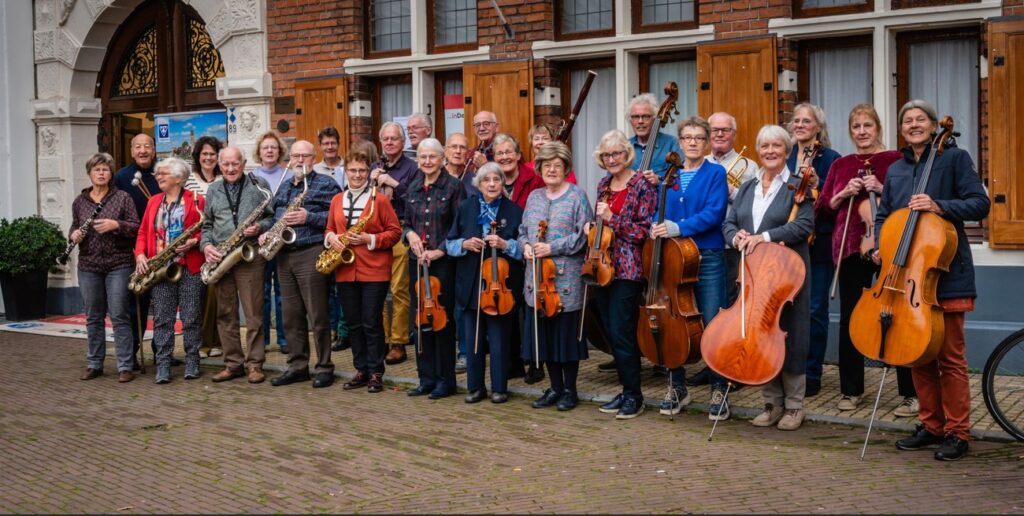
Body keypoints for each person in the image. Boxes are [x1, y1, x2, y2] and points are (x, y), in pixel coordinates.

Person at [882, 100, 989, 461]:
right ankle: (931, 426)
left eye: (920, 119)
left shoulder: (955, 158)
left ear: (932, 126)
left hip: (947, 273)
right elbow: (885, 216)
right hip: (907, 276)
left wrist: (939, 205)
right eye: (907, 120)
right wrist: (882, 246)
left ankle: (958, 432)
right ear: (902, 129)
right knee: (918, 356)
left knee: (950, 359)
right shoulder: (896, 169)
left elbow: (979, 204)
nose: (913, 125)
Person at [814, 104, 918, 415]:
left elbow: (912, 201)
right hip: (850, 249)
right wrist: (843, 193)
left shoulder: (896, 160)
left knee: (897, 314)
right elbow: (822, 209)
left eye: (867, 125)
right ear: (850, 132)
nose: (862, 132)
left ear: (878, 128)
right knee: (851, 319)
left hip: (890, 248)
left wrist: (883, 188)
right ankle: (851, 390)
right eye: (856, 127)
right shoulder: (841, 165)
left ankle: (910, 393)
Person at [723, 125, 814, 431]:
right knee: (761, 333)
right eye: (765, 146)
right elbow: (729, 222)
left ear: (787, 152)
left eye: (776, 146)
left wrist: (763, 237)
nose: (770, 151)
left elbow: (803, 225)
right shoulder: (748, 186)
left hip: (788, 274)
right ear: (758, 151)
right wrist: (736, 236)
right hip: (753, 273)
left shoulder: (797, 186)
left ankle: (795, 406)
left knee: (792, 333)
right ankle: (772, 403)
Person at [648, 116, 730, 419]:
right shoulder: (668, 175)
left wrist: (678, 227)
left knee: (712, 320)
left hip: (707, 256)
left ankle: (719, 388)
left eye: (699, 137)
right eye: (687, 137)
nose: (693, 142)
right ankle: (677, 386)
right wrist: (654, 225)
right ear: (680, 142)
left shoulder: (716, 173)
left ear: (706, 142)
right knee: (674, 320)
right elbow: (657, 211)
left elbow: (715, 213)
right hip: (673, 257)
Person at [685, 111, 758, 387]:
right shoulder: (699, 164)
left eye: (725, 130)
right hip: (704, 246)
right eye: (714, 130)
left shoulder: (749, 167)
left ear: (734, 134)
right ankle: (713, 364)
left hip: (734, 244)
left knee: (733, 307)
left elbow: (753, 204)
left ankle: (734, 366)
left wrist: (731, 192)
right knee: (711, 310)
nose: (718, 134)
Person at [262, 140, 342, 388]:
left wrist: (309, 216)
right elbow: (273, 216)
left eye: (304, 156)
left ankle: (325, 367)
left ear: (313, 158)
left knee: (317, 314)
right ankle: (298, 366)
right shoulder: (285, 186)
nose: (299, 160)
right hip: (284, 254)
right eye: (295, 156)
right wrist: (267, 232)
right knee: (291, 315)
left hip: (311, 251)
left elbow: (338, 218)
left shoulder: (326, 184)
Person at [590, 130, 658, 420]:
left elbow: (643, 231)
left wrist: (611, 219)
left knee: (622, 332)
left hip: (627, 269)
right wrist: (592, 227)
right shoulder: (604, 184)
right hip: (600, 267)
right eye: (606, 155)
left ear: (626, 154)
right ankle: (625, 389)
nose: (611, 159)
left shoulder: (641, 184)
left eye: (616, 153)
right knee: (609, 332)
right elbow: (601, 224)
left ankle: (634, 396)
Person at [519, 142, 591, 411]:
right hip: (536, 279)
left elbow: (584, 237)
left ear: (566, 168)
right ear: (539, 169)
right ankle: (554, 387)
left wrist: (552, 248)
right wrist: (526, 246)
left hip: (566, 280)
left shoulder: (577, 196)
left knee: (565, 338)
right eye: (546, 165)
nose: (551, 170)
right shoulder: (534, 197)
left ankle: (570, 390)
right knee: (546, 337)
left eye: (557, 166)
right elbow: (522, 230)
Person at [446, 162, 524, 404]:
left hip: (501, 286)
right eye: (486, 180)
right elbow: (449, 243)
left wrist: (505, 244)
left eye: (496, 180)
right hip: (471, 283)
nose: (491, 184)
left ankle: (499, 387)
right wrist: (465, 244)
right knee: (473, 340)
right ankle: (475, 387)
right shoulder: (466, 207)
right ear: (478, 185)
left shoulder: (514, 210)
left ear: (502, 183)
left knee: (499, 341)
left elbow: (523, 249)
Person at [325, 147, 402, 393]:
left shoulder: (379, 200)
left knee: (371, 322)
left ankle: (376, 371)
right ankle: (361, 369)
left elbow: (395, 232)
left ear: (368, 172)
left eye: (361, 170)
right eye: (352, 170)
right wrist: (331, 238)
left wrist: (370, 239)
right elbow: (329, 229)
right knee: (354, 324)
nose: (357, 175)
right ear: (345, 172)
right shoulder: (337, 200)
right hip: (345, 270)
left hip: (375, 270)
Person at [201, 146, 275, 384]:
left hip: (250, 255)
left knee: (253, 314)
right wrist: (206, 246)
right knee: (225, 314)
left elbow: (272, 216)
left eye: (235, 164)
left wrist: (260, 227)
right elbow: (206, 225)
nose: (231, 168)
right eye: (226, 164)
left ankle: (255, 365)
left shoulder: (258, 184)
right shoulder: (213, 189)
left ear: (243, 164)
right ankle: (233, 364)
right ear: (219, 165)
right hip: (222, 258)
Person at [134, 157, 206, 384]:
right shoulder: (154, 201)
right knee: (162, 319)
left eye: (163, 173)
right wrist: (140, 254)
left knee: (191, 317)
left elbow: (208, 228)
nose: (158, 176)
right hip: (161, 267)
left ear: (179, 177)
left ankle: (192, 361)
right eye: (158, 173)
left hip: (189, 266)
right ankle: (163, 363)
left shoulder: (197, 200)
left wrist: (195, 241)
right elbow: (143, 232)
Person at [403, 138, 465, 399]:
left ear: (442, 159)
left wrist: (439, 250)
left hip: (443, 264)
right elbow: (406, 222)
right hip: (417, 262)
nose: (427, 161)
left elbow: (459, 225)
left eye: (432, 157)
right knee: (421, 321)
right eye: (423, 157)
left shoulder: (454, 186)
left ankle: (445, 381)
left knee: (442, 322)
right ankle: (425, 378)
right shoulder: (414, 186)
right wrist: (410, 235)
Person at [788, 103, 841, 398]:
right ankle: (785, 368)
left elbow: (835, 204)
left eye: (806, 121)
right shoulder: (784, 154)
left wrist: (819, 190)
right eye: (796, 120)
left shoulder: (831, 159)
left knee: (815, 309)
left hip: (818, 241)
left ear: (818, 127)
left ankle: (811, 372)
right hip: (786, 241)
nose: (800, 125)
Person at [73, 153, 140, 383]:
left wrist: (115, 224)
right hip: (89, 264)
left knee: (119, 314)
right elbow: (74, 227)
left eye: (105, 169)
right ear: (89, 173)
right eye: (97, 169)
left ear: (111, 173)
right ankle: (94, 364)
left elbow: (136, 227)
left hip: (118, 263)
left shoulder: (122, 197)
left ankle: (125, 365)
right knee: (93, 316)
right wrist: (74, 235)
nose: (101, 173)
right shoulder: (80, 202)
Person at [493, 132, 544, 383]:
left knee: (531, 308)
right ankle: (512, 363)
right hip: (504, 254)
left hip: (530, 248)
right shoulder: (491, 180)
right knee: (507, 307)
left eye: (508, 152)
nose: (504, 157)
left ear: (518, 155)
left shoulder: (533, 179)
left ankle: (535, 362)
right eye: (499, 153)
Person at [113, 133, 162, 369]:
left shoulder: (163, 173)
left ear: (154, 150)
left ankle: (162, 351)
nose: (143, 150)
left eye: (147, 146)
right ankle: (131, 353)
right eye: (138, 147)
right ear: (132, 151)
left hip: (162, 247)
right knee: (136, 305)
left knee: (163, 303)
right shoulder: (122, 177)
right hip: (135, 249)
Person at [373, 122, 420, 365]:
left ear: (403, 142)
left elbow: (416, 199)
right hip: (376, 233)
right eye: (386, 139)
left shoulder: (412, 168)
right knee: (377, 289)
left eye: (394, 138)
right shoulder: (375, 167)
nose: (389, 142)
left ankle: (398, 342)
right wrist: (371, 183)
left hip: (401, 230)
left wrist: (393, 183)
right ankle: (380, 340)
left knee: (399, 289)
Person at [185, 136, 223, 360]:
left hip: (220, 244)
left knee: (216, 296)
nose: (208, 158)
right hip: (195, 245)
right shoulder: (188, 180)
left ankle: (214, 341)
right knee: (197, 296)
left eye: (212, 154)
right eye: (204, 154)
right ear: (198, 156)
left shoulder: (223, 178)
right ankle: (199, 343)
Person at [252, 131, 290, 355]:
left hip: (283, 240)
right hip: (261, 240)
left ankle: (284, 339)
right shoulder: (252, 177)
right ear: (259, 152)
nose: (269, 151)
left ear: (279, 151)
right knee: (263, 292)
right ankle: (263, 339)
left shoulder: (289, 175)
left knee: (283, 292)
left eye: (273, 147)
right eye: (265, 147)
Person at [314, 126, 351, 354]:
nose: (329, 147)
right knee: (326, 288)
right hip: (323, 235)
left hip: (345, 235)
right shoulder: (315, 170)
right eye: (325, 143)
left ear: (338, 144)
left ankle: (344, 331)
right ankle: (332, 329)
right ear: (320, 146)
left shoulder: (348, 167)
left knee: (342, 287)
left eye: (333, 143)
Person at [630, 93, 682, 180]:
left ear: (655, 119)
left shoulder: (671, 143)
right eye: (635, 117)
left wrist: (659, 179)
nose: (640, 121)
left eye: (646, 116)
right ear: (630, 120)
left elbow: (682, 175)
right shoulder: (624, 147)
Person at [444, 133, 477, 197]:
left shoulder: (475, 180)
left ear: (467, 154)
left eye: (462, 147)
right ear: (445, 151)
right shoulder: (436, 176)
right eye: (454, 147)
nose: (458, 151)